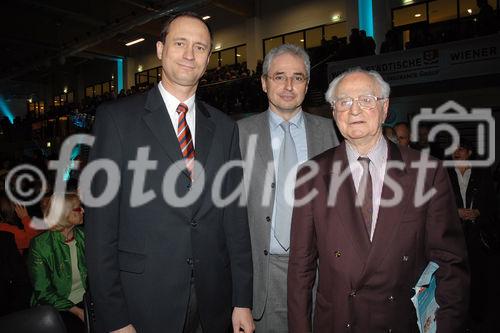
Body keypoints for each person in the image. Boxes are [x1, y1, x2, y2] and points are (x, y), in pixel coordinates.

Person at [85, 12, 253, 333]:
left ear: (208, 58)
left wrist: (242, 299)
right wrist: (115, 318)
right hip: (142, 301)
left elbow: (235, 218)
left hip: (213, 301)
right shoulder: (116, 120)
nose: (190, 55)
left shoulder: (225, 127)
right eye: (180, 43)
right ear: (160, 50)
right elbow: (99, 228)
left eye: (200, 47)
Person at [287, 68, 469, 333]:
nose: (354, 110)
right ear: (334, 112)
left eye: (366, 99)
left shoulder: (427, 171)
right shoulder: (310, 175)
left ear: (385, 108)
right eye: (344, 102)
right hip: (338, 322)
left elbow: (449, 263)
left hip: (401, 322)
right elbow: (301, 269)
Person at [238, 44, 338, 332]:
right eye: (279, 76)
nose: (288, 85)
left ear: (307, 85)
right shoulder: (239, 135)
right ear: (264, 82)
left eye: (298, 77)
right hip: (262, 274)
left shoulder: (331, 133)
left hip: (318, 273)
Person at [447, 139, 497, 330]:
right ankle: (457, 312)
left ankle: (477, 314)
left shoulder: (482, 173)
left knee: (478, 274)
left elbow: (491, 203)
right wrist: (455, 211)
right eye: (453, 150)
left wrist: (478, 212)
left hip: (477, 234)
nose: (455, 153)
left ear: (469, 152)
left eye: (459, 149)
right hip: (454, 233)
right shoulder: (445, 173)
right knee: (455, 275)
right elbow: (439, 202)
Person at [28, 192, 86, 333]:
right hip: (55, 308)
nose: (83, 210)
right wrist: (77, 311)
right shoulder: (41, 245)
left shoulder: (85, 236)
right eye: (78, 208)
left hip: (87, 301)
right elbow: (43, 292)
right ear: (64, 215)